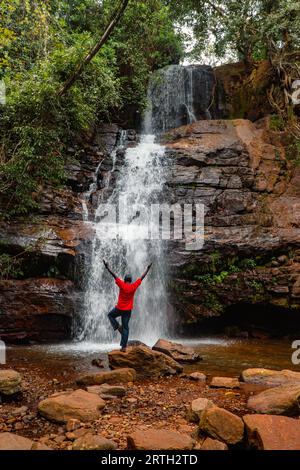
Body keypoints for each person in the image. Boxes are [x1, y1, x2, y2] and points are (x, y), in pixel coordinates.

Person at [103, 259, 152, 352]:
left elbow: (114, 275)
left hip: (119, 308)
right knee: (126, 328)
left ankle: (117, 326)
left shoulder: (122, 284)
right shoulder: (133, 286)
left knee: (110, 315)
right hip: (127, 310)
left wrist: (107, 268)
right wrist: (147, 269)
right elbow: (142, 277)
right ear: (130, 280)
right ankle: (124, 347)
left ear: (125, 280)